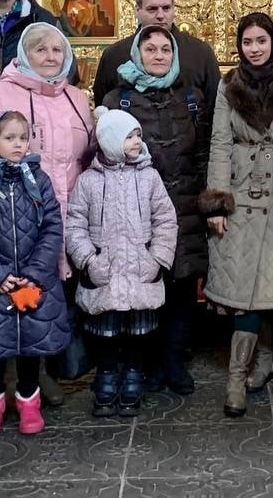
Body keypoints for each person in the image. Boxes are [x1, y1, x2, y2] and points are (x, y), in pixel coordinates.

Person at [0, 22, 93, 405]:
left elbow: (84, 156)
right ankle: (3, 377)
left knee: (47, 296)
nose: (50, 57)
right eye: (41, 50)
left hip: (62, 214)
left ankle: (37, 377)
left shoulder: (76, 97)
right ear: (24, 53)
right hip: (8, 219)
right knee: (7, 296)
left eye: (57, 50)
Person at [201, 14, 273, 418]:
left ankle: (261, 360)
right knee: (243, 287)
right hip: (239, 189)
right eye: (247, 41)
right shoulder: (227, 85)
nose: (254, 47)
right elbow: (219, 140)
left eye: (260, 40)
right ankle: (237, 376)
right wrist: (217, 201)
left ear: (272, 42)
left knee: (268, 284)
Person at [98, 26, 210, 395]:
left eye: (165, 49)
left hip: (184, 206)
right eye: (150, 49)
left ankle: (174, 361)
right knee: (142, 284)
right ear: (137, 53)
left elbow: (202, 152)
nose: (158, 55)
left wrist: (204, 199)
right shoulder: (119, 100)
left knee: (181, 288)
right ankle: (143, 362)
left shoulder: (191, 98)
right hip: (133, 210)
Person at [0, 112, 71, 438]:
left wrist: (35, 272)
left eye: (23, 137)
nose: (18, 144)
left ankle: (28, 401)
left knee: (30, 347)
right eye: (9, 138)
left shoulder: (38, 180)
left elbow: (51, 227)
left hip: (32, 282)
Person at [67, 110, 178, 417]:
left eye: (138, 135)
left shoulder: (149, 176)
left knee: (138, 331)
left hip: (140, 271)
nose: (136, 141)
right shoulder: (89, 181)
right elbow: (75, 223)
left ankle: (132, 373)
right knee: (106, 330)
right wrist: (88, 260)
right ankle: (106, 374)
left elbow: (165, 219)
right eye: (129, 136)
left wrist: (157, 258)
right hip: (105, 273)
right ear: (110, 141)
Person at [92, 0, 221, 115]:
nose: (160, 15)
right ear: (138, 11)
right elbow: (104, 110)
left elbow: (214, 106)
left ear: (174, 10)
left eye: (166, 8)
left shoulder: (200, 53)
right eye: (152, 9)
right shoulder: (114, 55)